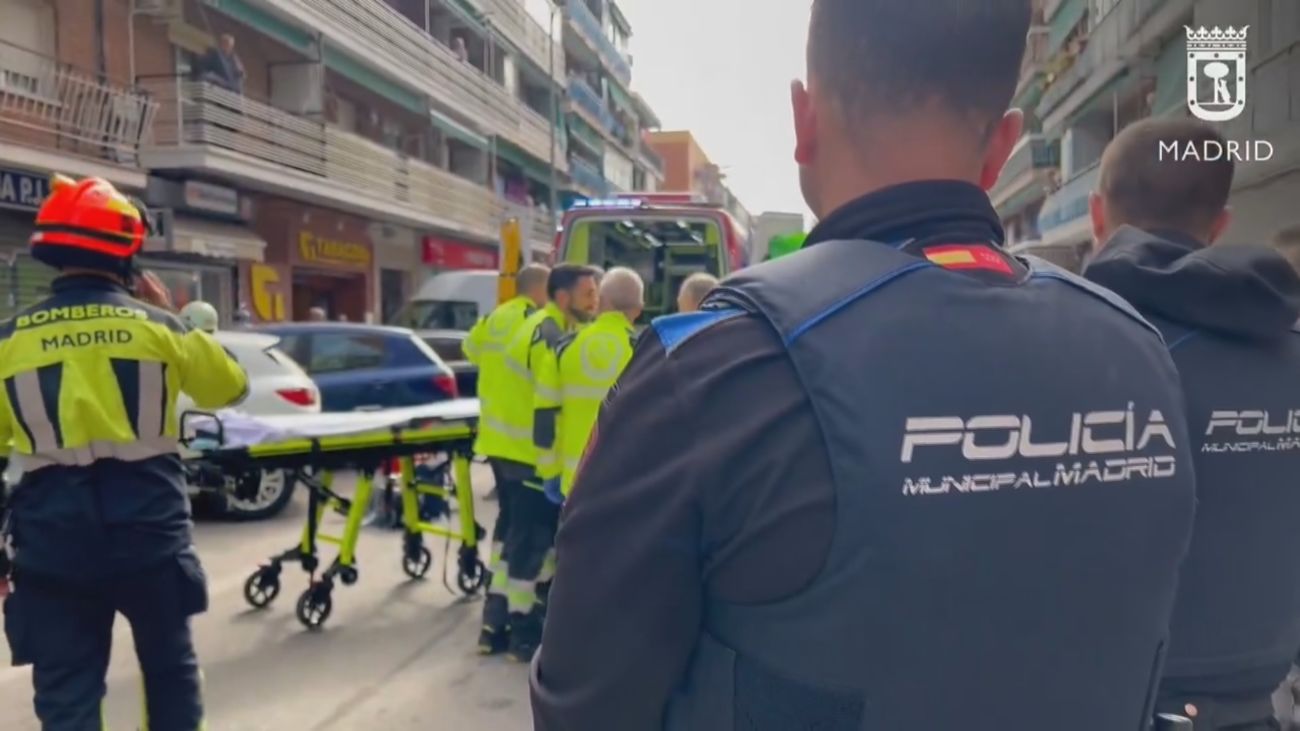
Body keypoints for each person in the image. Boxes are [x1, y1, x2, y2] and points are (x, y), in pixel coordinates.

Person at [530, 2, 1197, 729]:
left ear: (804, 121)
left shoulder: (711, 369)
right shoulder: (1141, 354)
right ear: (1003, 145)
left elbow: (582, 700)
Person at [0, 175, 248, 729]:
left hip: (53, 540)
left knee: (67, 693)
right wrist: (174, 318)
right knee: (169, 672)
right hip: (151, 532)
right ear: (126, 255)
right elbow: (228, 388)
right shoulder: (160, 328)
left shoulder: (8, 340)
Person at [1084, 118, 1300, 730]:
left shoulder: (1081, 348)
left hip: (1112, 698)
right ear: (1221, 222)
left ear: (1097, 214)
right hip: (1259, 704)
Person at [479, 263, 599, 663]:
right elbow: (550, 404)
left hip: (504, 448)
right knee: (532, 551)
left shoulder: (532, 325)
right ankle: (523, 635)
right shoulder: (551, 336)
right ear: (563, 297)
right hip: (529, 455)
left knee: (511, 542)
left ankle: (493, 625)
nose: (594, 303)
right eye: (588, 295)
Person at [464, 263, 550, 651]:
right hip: (526, 447)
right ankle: (520, 629)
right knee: (528, 541)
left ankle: (492, 623)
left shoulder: (494, 319)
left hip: (495, 443)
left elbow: (471, 350)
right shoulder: (536, 323)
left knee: (508, 532)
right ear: (542, 289)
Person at [536, 267, 642, 506]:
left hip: (575, 482)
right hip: (627, 483)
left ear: (601, 301)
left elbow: (545, 416)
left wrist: (550, 472)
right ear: (638, 308)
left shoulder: (564, 347)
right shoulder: (644, 351)